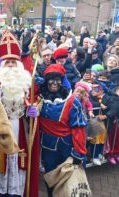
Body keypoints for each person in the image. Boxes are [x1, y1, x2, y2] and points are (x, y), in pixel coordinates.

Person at [0, 30, 39, 197]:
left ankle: (15, 192)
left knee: (17, 160)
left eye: (13, 62)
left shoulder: (26, 83)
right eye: (6, 62)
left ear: (19, 64)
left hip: (18, 128)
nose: (10, 65)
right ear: (0, 64)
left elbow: (34, 102)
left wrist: (33, 112)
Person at [39, 64, 87, 197]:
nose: (54, 83)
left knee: (66, 180)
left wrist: (78, 152)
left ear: (62, 81)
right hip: (47, 146)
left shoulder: (72, 102)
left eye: (57, 79)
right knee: (50, 177)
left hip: (67, 147)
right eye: (51, 79)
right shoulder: (39, 99)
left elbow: (79, 128)